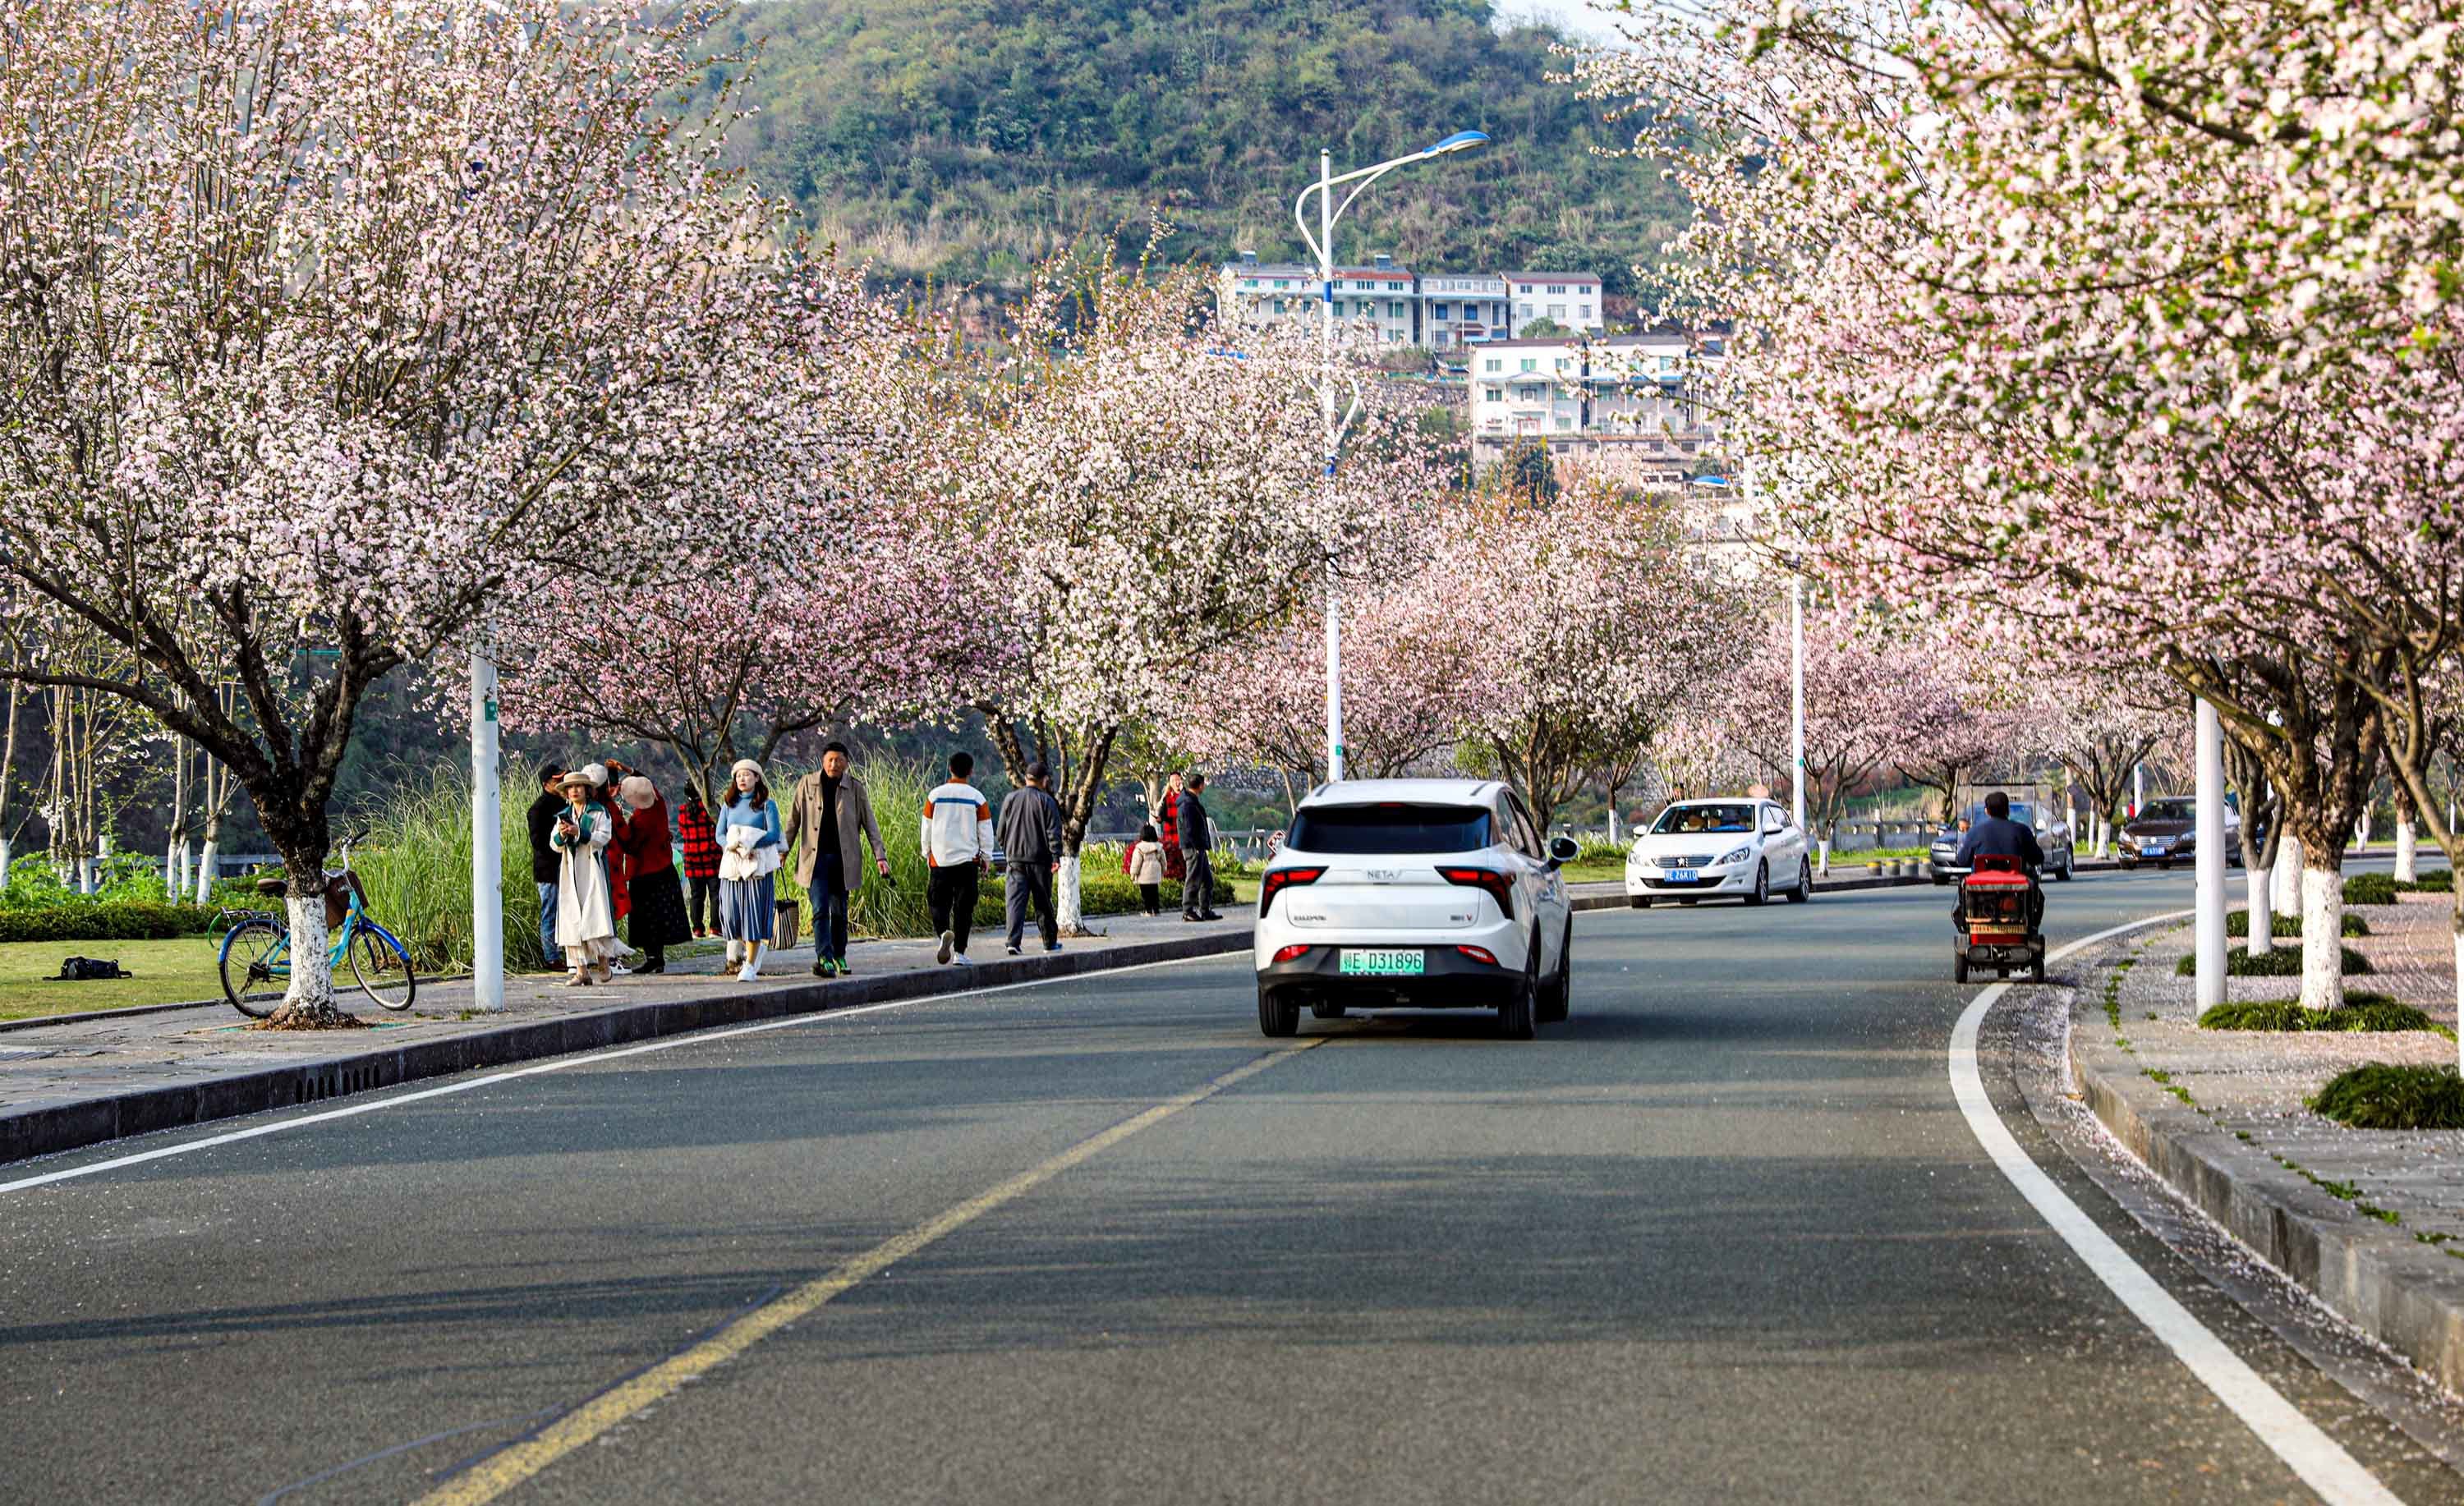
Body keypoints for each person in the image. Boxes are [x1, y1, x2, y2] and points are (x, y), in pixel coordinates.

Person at [782, 741, 890, 980]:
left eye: (839, 760)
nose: (834, 764)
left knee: (840, 911)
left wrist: (880, 856)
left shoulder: (855, 788)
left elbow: (870, 824)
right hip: (815, 860)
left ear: (846, 763)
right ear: (822, 761)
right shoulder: (806, 784)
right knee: (820, 909)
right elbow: (792, 822)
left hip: (844, 860)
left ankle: (840, 954)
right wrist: (782, 852)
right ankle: (824, 957)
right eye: (830, 759)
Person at [614, 774, 692, 975]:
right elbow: (647, 783)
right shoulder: (659, 806)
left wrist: (618, 822)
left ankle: (653, 958)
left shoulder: (641, 820)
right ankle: (656, 958)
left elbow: (630, 846)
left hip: (645, 875)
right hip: (665, 870)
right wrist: (627, 770)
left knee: (647, 919)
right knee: (660, 917)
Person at [922, 751, 993, 966]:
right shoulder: (977, 798)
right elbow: (985, 830)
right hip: (967, 862)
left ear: (950, 769)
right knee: (964, 908)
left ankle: (944, 932)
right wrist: (986, 857)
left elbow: (926, 827)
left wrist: (927, 852)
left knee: (937, 902)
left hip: (940, 860)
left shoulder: (935, 795)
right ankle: (960, 953)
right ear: (970, 771)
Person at [548, 770, 618, 986]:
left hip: (592, 867)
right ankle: (581, 971)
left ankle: (603, 960)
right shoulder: (563, 815)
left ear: (587, 790)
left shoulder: (599, 812)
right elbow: (554, 844)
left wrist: (580, 832)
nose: (575, 790)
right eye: (570, 787)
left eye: (579, 786)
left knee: (596, 912)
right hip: (571, 868)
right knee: (572, 916)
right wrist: (562, 834)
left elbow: (603, 837)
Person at [716, 758, 783, 982]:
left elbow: (774, 834)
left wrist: (752, 843)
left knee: (753, 915)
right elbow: (720, 835)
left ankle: (750, 965)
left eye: (747, 775)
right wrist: (733, 846)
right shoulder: (728, 805)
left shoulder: (767, 805)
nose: (742, 779)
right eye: (738, 776)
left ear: (756, 778)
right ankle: (751, 951)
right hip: (733, 865)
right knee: (732, 915)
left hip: (757, 866)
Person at [1952, 790, 2046, 932]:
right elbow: (2038, 857)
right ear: (2007, 810)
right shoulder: (2021, 830)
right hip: (2016, 890)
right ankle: (2031, 928)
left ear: (1987, 811)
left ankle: (1967, 926)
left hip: (1981, 890)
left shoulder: (1975, 831)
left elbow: (1962, 860)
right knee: (2038, 896)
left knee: (1963, 886)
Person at [999, 761, 1065, 955]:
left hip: (1015, 860)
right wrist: (1056, 855)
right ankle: (1049, 943)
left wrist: (1008, 850)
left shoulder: (1010, 799)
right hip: (1040, 861)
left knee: (1015, 903)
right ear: (1044, 780)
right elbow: (1053, 831)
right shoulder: (1046, 801)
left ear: (1027, 778)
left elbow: (1001, 831)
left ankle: (1013, 942)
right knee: (1043, 903)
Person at [524, 764, 568, 969]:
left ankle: (563, 954)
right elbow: (537, 842)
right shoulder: (538, 808)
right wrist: (558, 841)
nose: (561, 783)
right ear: (546, 784)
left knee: (565, 913)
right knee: (550, 913)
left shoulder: (564, 804)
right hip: (548, 870)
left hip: (564, 867)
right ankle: (551, 957)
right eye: (556, 780)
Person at [675, 786, 721, 937]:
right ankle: (715, 928)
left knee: (696, 896)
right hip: (712, 857)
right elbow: (720, 825)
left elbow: (682, 831)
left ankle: (697, 929)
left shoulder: (683, 810)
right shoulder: (711, 808)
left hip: (692, 859)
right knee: (715, 895)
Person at [1178, 771, 1222, 922]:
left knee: (1207, 881)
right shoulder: (1188, 805)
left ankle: (1205, 909)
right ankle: (1187, 910)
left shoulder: (1192, 802)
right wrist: (1196, 846)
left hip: (1198, 847)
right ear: (1200, 785)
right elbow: (1189, 829)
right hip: (1193, 848)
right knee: (1193, 879)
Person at [1156, 772, 1188, 885]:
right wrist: (1159, 818)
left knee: (1184, 857)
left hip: (1183, 831)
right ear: (1170, 783)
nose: (1176, 782)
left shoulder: (1186, 795)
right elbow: (1162, 814)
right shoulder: (1167, 797)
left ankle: (1185, 878)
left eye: (1178, 779)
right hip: (1171, 831)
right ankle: (1172, 880)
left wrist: (1182, 790)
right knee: (1171, 855)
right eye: (1173, 780)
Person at [1128, 823, 1166, 916]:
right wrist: (1164, 870)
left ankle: (1148, 911)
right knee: (1155, 893)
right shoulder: (1159, 847)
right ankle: (1156, 910)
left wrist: (1133, 874)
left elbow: (1136, 863)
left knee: (1146, 894)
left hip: (1143, 875)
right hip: (1155, 874)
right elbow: (1163, 861)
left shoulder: (1139, 848)